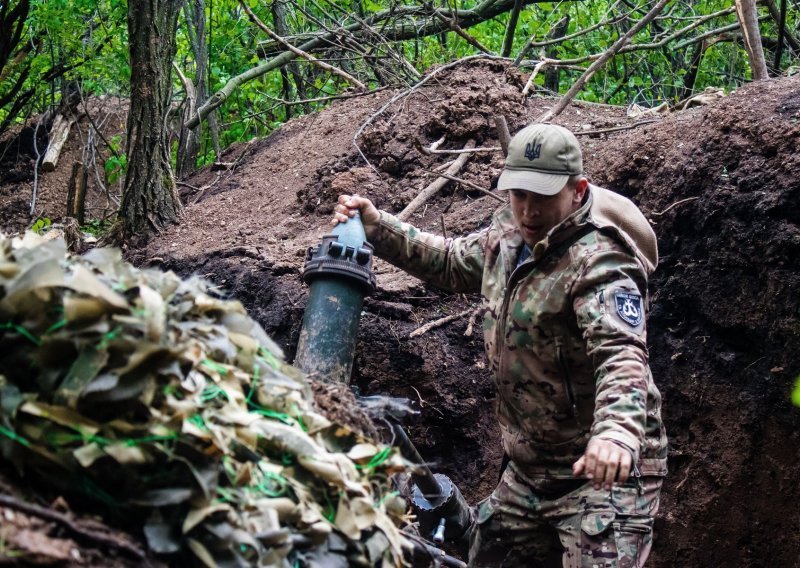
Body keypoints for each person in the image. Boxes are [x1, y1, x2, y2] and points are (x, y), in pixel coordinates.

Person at [333, 123, 667, 567]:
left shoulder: (600, 262)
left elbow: (621, 355)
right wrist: (380, 228)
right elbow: (453, 261)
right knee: (481, 558)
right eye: (518, 195)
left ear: (577, 190)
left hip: (603, 479)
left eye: (543, 197)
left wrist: (616, 433)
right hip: (530, 472)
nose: (528, 211)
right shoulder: (509, 235)